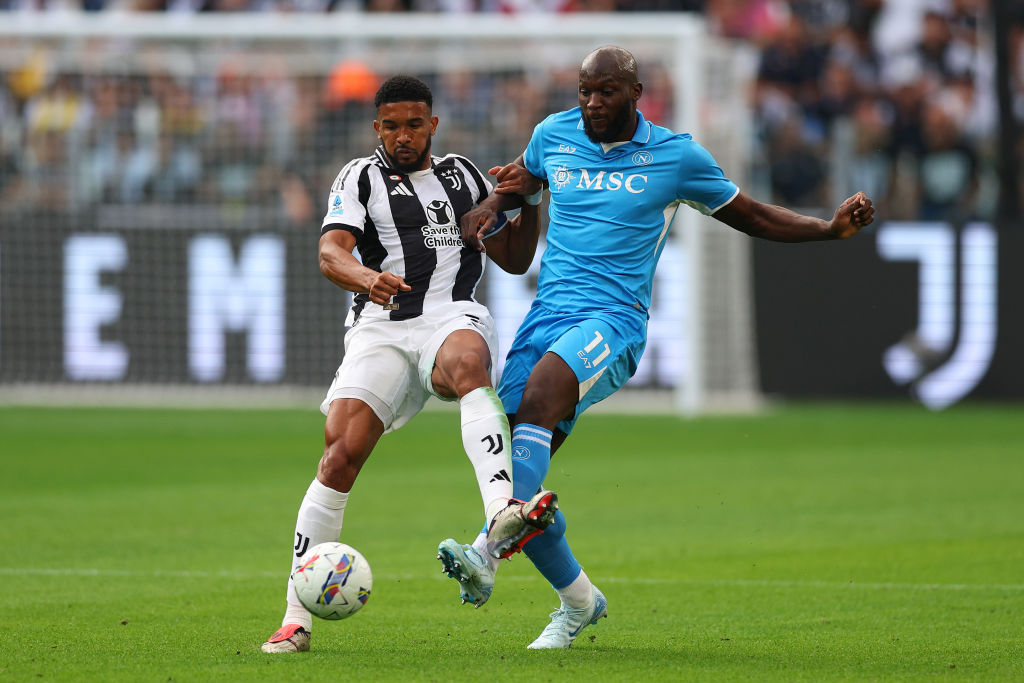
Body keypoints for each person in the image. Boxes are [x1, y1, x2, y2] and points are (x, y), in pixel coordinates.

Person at [438, 46, 875, 649]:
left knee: (538, 402)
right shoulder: (553, 133)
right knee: (519, 481)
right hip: (547, 315)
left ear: (636, 92)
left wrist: (828, 229)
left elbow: (751, 215)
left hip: (613, 322)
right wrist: (493, 202)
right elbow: (522, 182)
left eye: (607, 92)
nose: (593, 103)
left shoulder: (676, 156)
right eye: (585, 91)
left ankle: (485, 551)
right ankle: (579, 603)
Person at [261, 75, 558, 654]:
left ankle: (500, 510)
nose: (402, 135)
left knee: (469, 363)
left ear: (433, 125)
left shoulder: (465, 177)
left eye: (414, 124)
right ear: (377, 128)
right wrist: (370, 279)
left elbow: (516, 259)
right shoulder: (359, 177)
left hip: (452, 315)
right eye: (391, 125)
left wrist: (527, 203)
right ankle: (296, 617)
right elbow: (330, 252)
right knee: (339, 454)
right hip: (382, 328)